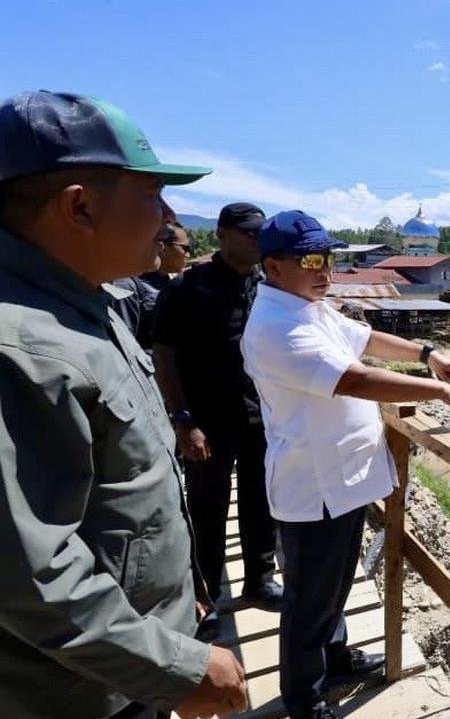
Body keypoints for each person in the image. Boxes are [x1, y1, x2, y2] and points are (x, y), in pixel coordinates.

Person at [0, 90, 246, 719]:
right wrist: (177, 666)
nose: (168, 219)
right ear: (78, 207)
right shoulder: (21, 347)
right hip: (80, 691)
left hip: (124, 660)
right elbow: (29, 577)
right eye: (151, 196)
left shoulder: (92, 305)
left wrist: (177, 590)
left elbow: (125, 486)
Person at [241, 210, 450, 719]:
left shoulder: (310, 307)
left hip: (343, 479)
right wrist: (440, 390)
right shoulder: (276, 328)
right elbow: (356, 379)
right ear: (273, 267)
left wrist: (427, 351)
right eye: (309, 258)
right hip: (315, 484)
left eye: (327, 257)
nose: (322, 268)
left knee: (337, 586)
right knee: (309, 602)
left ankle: (336, 659)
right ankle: (305, 700)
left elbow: (365, 339)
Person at [154, 202, 282, 639]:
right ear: (223, 234)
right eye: (247, 233)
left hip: (262, 418)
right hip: (208, 420)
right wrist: (183, 419)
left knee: (261, 502)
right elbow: (164, 355)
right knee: (206, 511)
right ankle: (204, 597)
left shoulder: (269, 285)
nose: (256, 240)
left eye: (260, 233)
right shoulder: (188, 288)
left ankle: (260, 580)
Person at [109, 219, 187, 349]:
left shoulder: (174, 284)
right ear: (163, 246)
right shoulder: (126, 286)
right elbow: (126, 349)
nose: (187, 254)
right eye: (185, 248)